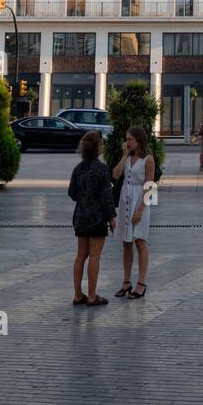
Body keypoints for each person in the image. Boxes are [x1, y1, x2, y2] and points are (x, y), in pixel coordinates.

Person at [68, 130, 116, 307]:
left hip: (80, 216)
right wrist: (111, 217)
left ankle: (77, 294)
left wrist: (84, 199)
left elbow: (71, 192)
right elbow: (106, 196)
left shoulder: (78, 169)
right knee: (95, 255)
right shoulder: (102, 169)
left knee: (81, 255)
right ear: (98, 147)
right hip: (97, 217)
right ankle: (92, 295)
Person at [112, 127, 155, 299]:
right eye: (126, 139)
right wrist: (124, 155)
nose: (127, 142)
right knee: (126, 242)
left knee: (140, 242)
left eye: (130, 139)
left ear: (139, 140)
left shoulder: (148, 159)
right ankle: (126, 281)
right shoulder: (127, 157)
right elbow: (115, 175)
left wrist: (140, 209)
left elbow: (150, 186)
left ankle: (141, 283)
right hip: (125, 200)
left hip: (140, 201)